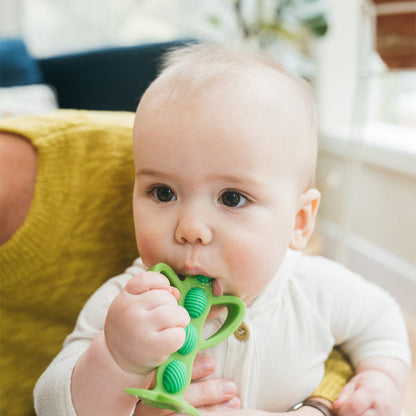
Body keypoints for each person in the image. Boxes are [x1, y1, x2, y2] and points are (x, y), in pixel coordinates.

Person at [33, 43, 410, 415]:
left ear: (298, 222)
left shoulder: (315, 291)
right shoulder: (127, 308)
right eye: (163, 192)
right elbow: (50, 405)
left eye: (232, 198)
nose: (191, 228)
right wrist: (115, 362)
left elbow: (381, 321)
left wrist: (381, 377)